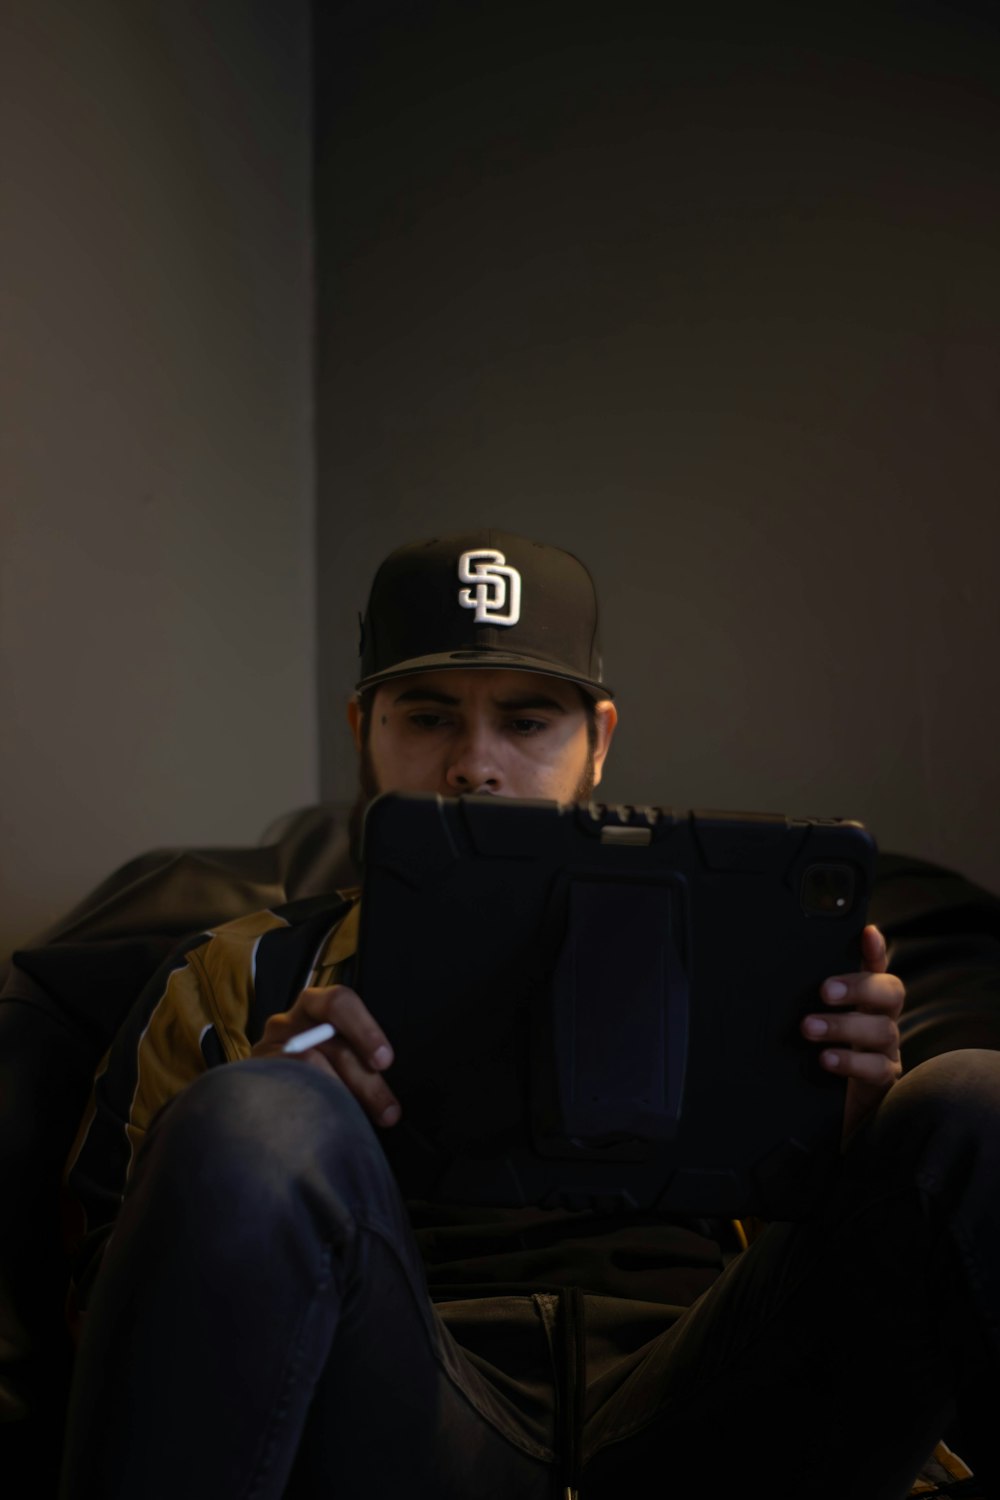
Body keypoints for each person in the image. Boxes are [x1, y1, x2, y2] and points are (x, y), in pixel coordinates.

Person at [59, 530, 1000, 1499]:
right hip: (405, 1398)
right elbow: (104, 1306)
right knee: (255, 1112)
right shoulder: (239, 969)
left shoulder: (742, 947)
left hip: (715, 1395)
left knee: (974, 1095)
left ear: (598, 741)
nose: (475, 765)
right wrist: (261, 1129)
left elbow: (867, 1291)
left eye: (527, 721)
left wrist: (853, 1147)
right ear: (362, 732)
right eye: (426, 717)